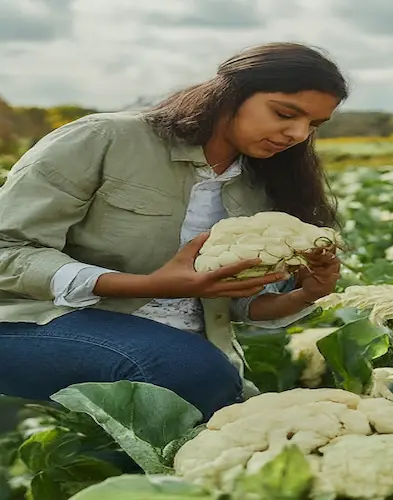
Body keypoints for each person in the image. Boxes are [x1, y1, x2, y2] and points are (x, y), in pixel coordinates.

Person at [0, 42, 346, 420]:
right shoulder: (105, 139)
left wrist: (306, 293)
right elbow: (8, 248)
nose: (297, 133)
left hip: (179, 345)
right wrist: (148, 286)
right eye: (284, 113)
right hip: (34, 321)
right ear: (231, 93)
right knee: (186, 372)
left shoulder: (263, 185)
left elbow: (235, 302)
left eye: (313, 125)